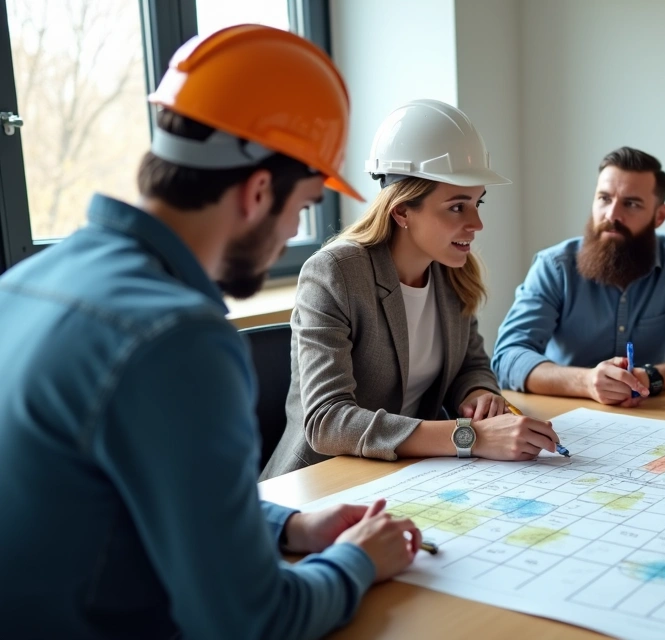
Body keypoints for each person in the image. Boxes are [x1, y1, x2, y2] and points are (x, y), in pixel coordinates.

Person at [0, 26, 420, 638]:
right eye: (304, 207)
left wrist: (288, 526)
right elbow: (253, 622)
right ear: (258, 192)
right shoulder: (178, 339)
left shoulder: (26, 283)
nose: (293, 233)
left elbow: (121, 498)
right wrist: (358, 560)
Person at [262, 100, 557, 480]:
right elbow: (327, 421)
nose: (477, 223)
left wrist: (479, 395)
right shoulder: (334, 274)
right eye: (457, 207)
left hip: (411, 475)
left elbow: (471, 366)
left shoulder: (453, 272)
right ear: (402, 211)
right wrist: (470, 436)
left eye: (477, 202)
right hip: (325, 481)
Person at [493, 147, 665, 407]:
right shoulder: (554, 266)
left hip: (653, 412)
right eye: (604, 198)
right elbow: (508, 357)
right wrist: (586, 382)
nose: (612, 215)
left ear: (659, 215)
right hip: (565, 413)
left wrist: (650, 377)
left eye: (631, 204)